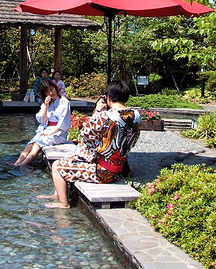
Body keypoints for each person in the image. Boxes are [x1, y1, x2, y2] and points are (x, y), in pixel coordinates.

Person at [39, 80, 141, 209]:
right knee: (68, 161)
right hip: (118, 169)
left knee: (57, 166)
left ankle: (63, 204)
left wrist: (98, 110)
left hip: (102, 173)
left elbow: (86, 133)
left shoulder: (105, 116)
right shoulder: (136, 116)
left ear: (108, 98)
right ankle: (58, 195)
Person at [7, 80, 71, 167]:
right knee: (30, 144)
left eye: (52, 90)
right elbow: (43, 120)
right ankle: (16, 163)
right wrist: (45, 106)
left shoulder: (64, 102)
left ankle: (22, 164)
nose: (51, 93)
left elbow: (63, 122)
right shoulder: (47, 102)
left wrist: (50, 133)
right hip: (46, 128)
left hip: (58, 132)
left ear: (55, 88)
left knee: (37, 145)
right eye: (48, 92)